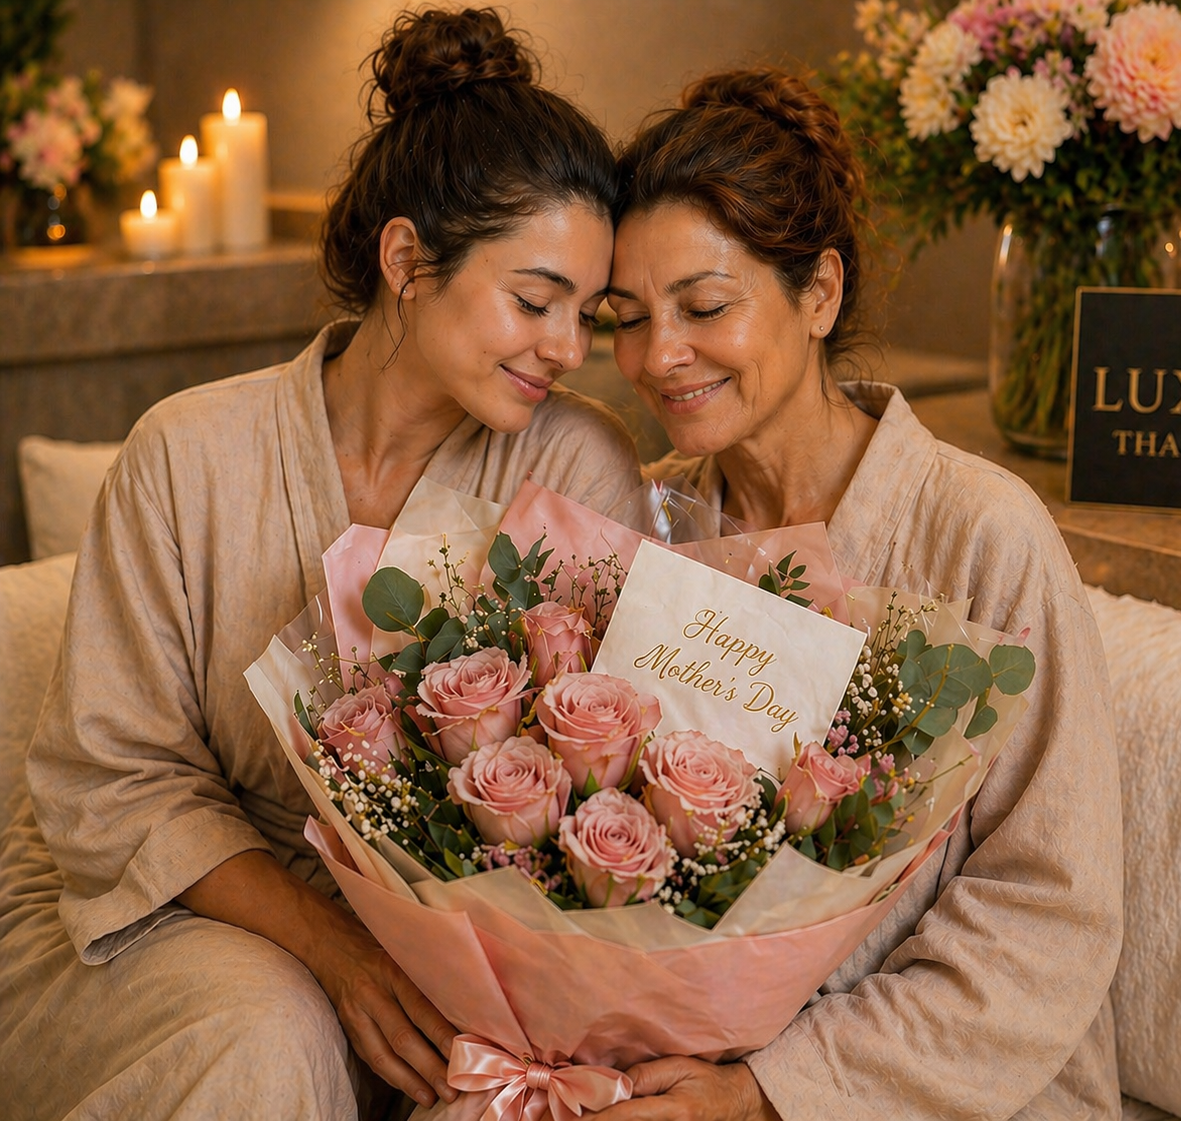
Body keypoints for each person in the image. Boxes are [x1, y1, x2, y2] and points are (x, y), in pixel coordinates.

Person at [0, 8, 640, 1119]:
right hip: (160, 910)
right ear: (406, 259)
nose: (566, 347)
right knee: (267, 1030)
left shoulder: (577, 464)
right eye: (534, 300)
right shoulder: (188, 452)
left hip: (457, 950)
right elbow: (116, 788)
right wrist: (340, 951)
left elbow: (605, 772)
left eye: (587, 312)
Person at [596, 67, 1123, 1120]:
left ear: (820, 292)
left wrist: (769, 1091)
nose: (658, 356)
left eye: (704, 306)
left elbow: (1050, 907)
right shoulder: (639, 520)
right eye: (626, 315)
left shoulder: (978, 529)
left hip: (934, 1085)